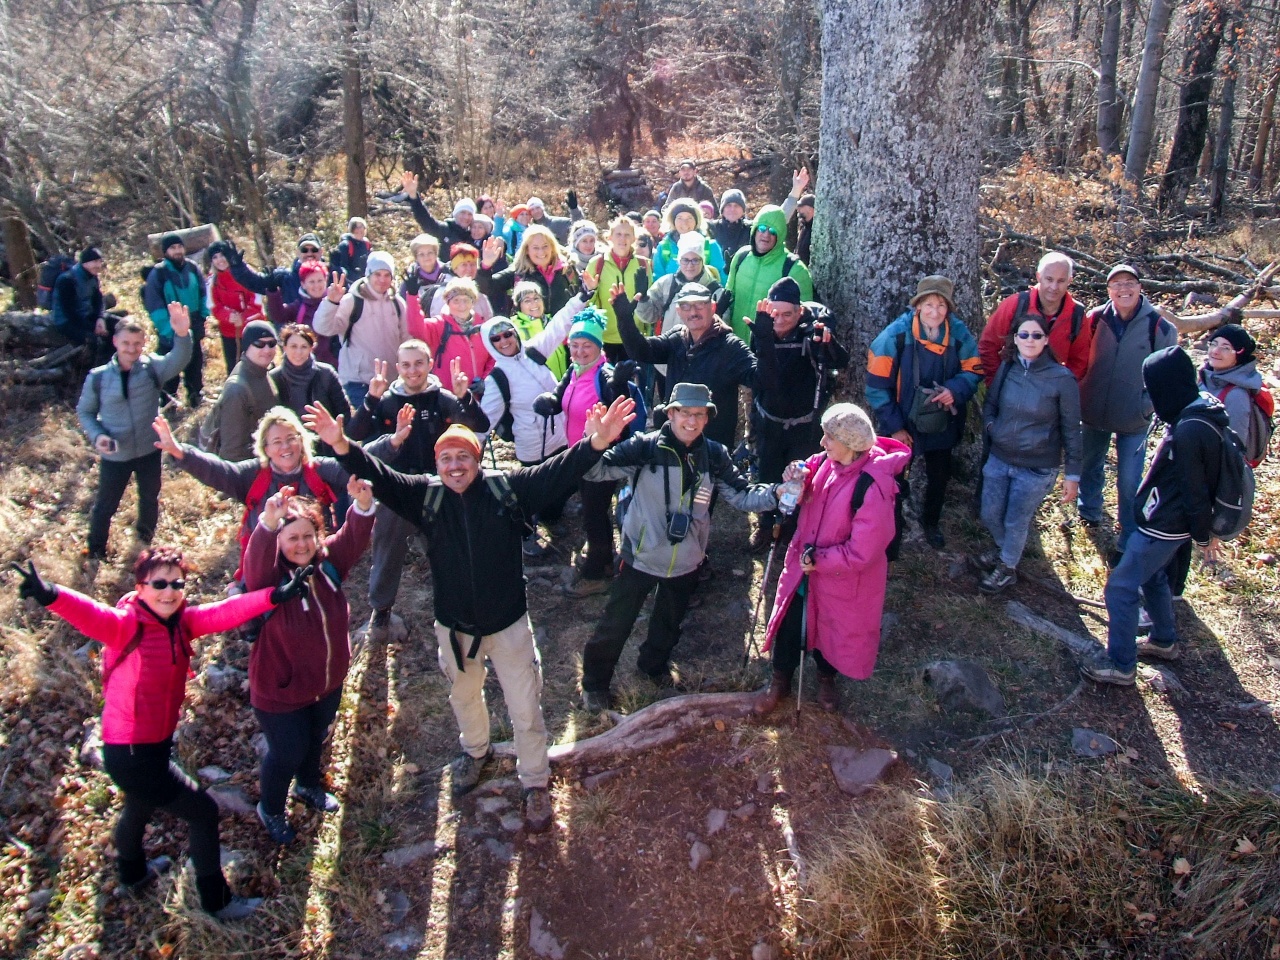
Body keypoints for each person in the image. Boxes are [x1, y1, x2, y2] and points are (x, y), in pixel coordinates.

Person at [305, 395, 636, 832]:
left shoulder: (507, 489)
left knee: (525, 707)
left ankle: (535, 780)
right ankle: (476, 752)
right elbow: (379, 476)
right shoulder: (425, 497)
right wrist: (340, 444)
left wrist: (595, 443)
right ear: (437, 464)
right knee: (464, 698)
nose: (455, 465)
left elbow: (559, 471)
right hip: (454, 629)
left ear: (477, 461)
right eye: (446, 458)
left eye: (463, 456)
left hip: (509, 624)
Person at [8, 549, 309, 919]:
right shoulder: (126, 625)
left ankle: (132, 875)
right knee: (204, 812)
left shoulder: (181, 623)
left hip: (152, 746)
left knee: (139, 804)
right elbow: (90, 613)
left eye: (177, 584)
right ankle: (217, 902)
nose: (169, 592)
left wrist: (273, 596)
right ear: (141, 588)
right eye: (160, 584)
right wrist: (50, 593)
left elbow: (223, 612)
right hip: (131, 753)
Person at [578, 383, 778, 709]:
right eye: (685, 412)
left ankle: (652, 668)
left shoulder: (714, 455)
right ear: (670, 413)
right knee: (616, 624)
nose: (691, 420)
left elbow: (743, 496)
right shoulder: (644, 448)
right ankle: (594, 685)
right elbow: (593, 471)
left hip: (687, 560)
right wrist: (593, 442)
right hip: (639, 556)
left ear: (707, 418)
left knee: (669, 625)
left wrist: (778, 493)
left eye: (699, 414)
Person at [1082, 347, 1228, 686]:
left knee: (1120, 588)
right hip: (1166, 523)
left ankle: (1120, 664)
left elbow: (1195, 490)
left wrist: (1203, 535)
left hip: (1164, 526)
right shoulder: (1199, 409)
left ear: (1167, 385)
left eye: (1151, 387)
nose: (1149, 394)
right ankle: (1163, 639)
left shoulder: (1189, 430)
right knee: (1154, 577)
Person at [753, 405, 911, 715]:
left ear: (851, 445)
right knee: (790, 622)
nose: (822, 442)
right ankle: (780, 680)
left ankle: (826, 678)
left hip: (841, 577)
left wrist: (821, 560)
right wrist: (797, 471)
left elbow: (864, 551)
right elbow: (809, 466)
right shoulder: (829, 460)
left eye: (829, 437)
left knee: (834, 627)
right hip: (804, 567)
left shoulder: (874, 486)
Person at [243, 477, 376, 844]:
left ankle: (307, 785)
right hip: (280, 691)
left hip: (326, 683)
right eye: (291, 538)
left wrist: (363, 504)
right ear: (279, 542)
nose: (301, 545)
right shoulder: (269, 579)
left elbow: (354, 536)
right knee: (287, 751)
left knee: (316, 737)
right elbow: (254, 564)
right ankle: (270, 808)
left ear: (318, 537)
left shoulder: (327, 566)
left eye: (308, 536)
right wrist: (269, 522)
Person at [347, 341, 488, 639]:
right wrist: (371, 399)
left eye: (419, 363)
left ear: (430, 364)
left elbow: (479, 424)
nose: (413, 371)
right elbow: (354, 434)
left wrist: (465, 398)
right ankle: (381, 611)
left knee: (456, 545)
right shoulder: (387, 401)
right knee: (387, 548)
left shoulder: (443, 399)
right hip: (397, 488)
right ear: (398, 368)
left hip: (439, 486)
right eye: (406, 365)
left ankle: (466, 607)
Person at [154, 406, 361, 578]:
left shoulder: (320, 470)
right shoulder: (252, 476)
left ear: (301, 440)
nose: (285, 447)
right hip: (266, 567)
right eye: (277, 442)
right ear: (266, 448)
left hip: (312, 563)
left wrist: (347, 443)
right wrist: (180, 452)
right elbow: (218, 471)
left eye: (291, 438)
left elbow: (359, 470)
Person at [865, 275, 982, 550]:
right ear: (917, 306)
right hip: (902, 421)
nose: (935, 312)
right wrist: (895, 427)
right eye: (929, 304)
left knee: (939, 476)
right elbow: (876, 386)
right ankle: (889, 527)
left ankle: (931, 522)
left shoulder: (959, 333)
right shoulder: (894, 336)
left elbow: (974, 369)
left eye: (941, 306)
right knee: (892, 478)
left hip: (942, 421)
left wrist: (955, 390)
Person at [976, 313, 1083, 594]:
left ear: (1046, 340)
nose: (1030, 340)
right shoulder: (1008, 367)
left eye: (1037, 335)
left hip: (1036, 467)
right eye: (1023, 334)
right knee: (989, 513)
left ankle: (1007, 567)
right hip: (1000, 457)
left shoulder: (1062, 379)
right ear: (1015, 338)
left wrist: (1072, 474)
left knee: (1016, 520)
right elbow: (991, 404)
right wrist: (993, 428)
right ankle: (1005, 550)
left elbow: (1072, 429)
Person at [1077, 265, 1178, 557]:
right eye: (1117, 284)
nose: (1124, 289)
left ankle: (1128, 536)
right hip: (1093, 410)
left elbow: (1168, 376)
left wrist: (1146, 405)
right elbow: (1079, 356)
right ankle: (1089, 510)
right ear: (1109, 290)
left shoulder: (1159, 327)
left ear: (1140, 288)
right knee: (1089, 464)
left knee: (1130, 479)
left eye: (1129, 283)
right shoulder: (1095, 319)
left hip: (1134, 419)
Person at [534, 312, 637, 596]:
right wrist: (550, 401)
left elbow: (620, 406)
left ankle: (596, 575)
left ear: (598, 347)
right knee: (595, 511)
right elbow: (560, 395)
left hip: (601, 458)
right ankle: (605, 560)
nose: (579, 351)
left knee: (594, 516)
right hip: (580, 453)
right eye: (574, 345)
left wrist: (620, 385)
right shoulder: (575, 370)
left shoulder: (603, 375)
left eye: (586, 345)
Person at [77, 308, 192, 560]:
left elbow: (179, 359)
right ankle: (95, 551)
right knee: (106, 505)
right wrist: (98, 436)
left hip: (150, 449)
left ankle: (143, 543)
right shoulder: (98, 378)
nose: (131, 349)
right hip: (116, 453)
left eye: (137, 343)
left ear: (144, 343)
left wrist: (183, 334)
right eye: (126, 343)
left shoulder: (152, 368)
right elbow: (85, 412)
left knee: (149, 498)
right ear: (115, 341)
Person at [750, 278, 850, 541]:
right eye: (775, 313)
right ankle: (766, 525)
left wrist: (827, 344)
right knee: (768, 473)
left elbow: (841, 360)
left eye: (787, 314)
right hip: (769, 419)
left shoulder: (810, 335)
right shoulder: (761, 330)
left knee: (799, 478)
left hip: (804, 425)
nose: (780, 320)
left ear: (800, 312)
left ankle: (792, 530)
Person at [615, 282, 755, 450]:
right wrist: (624, 320)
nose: (693, 312)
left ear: (712, 307)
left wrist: (766, 341)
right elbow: (642, 351)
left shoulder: (730, 347)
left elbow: (761, 379)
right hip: (673, 444)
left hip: (711, 450)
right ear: (678, 311)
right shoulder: (677, 338)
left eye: (699, 305)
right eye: (686, 306)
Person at [313, 251, 410, 408]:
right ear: (368, 274)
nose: (382, 280)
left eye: (387, 275)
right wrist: (331, 302)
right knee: (364, 423)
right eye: (377, 274)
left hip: (391, 382)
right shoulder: (352, 301)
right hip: (358, 383)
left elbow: (406, 339)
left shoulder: (397, 304)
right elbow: (323, 327)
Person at [978, 252, 1090, 386]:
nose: (1054, 287)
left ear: (1069, 281)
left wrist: (1061, 389)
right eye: (1049, 279)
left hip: (1052, 390)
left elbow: (1079, 362)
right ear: (1038, 277)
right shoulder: (1016, 305)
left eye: (1061, 281)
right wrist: (997, 383)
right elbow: (987, 346)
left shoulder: (1077, 315)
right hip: (1012, 386)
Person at [722, 205, 814, 343]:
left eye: (772, 231)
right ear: (754, 229)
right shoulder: (741, 256)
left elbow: (805, 317)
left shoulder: (795, 269)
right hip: (736, 346)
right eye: (762, 228)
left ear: (780, 235)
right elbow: (728, 298)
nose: (766, 235)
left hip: (770, 349)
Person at [143, 234, 208, 407]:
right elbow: (155, 306)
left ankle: (195, 395)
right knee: (170, 367)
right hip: (171, 328)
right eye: (173, 248)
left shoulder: (192, 268)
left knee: (195, 362)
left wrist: (203, 316)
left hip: (194, 323)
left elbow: (203, 293)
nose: (177, 251)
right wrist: (169, 330)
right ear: (165, 252)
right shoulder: (158, 273)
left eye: (180, 247)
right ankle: (168, 402)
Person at [269, 324, 351, 453]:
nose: (298, 352)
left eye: (304, 347)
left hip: (326, 446)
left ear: (311, 348)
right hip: (290, 449)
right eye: (293, 346)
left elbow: (343, 413)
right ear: (284, 347)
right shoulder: (273, 378)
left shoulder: (326, 374)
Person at [585, 216, 651, 363]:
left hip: (634, 335)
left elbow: (650, 301)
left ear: (634, 238)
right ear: (609, 237)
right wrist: (591, 290)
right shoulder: (597, 264)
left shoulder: (644, 264)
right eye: (618, 234)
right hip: (604, 336)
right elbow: (589, 304)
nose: (623, 238)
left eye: (627, 234)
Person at [212, 319, 280, 462]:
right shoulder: (237, 390)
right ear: (247, 346)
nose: (267, 350)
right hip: (251, 469)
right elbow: (232, 452)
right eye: (259, 344)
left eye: (272, 344)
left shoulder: (264, 371)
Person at [226, 234, 327, 327]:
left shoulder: (332, 275)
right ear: (298, 253)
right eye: (304, 250)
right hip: (293, 336)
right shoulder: (284, 277)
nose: (309, 253)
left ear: (321, 252)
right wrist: (237, 266)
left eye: (314, 250)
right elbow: (255, 282)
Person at [479, 225, 581, 316]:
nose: (541, 252)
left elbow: (581, 297)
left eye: (545, 246)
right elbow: (486, 288)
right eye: (535, 248)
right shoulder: (519, 273)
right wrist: (486, 265)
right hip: (531, 330)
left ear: (552, 247)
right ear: (527, 250)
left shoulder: (567, 270)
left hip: (565, 329)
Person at [636, 234, 725, 338]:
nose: (690, 265)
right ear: (679, 261)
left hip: (703, 347)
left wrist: (717, 316)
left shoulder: (716, 291)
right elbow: (649, 317)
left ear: (702, 261)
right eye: (685, 260)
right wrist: (643, 299)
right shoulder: (666, 284)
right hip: (669, 346)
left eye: (695, 260)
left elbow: (722, 334)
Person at [1199, 324, 1264, 455]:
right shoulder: (1205, 377)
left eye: (1226, 348)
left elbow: (1235, 450)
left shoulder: (1236, 395)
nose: (1215, 351)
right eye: (1214, 344)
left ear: (1239, 355)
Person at [206, 240, 265, 375]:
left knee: (257, 366)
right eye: (215, 257)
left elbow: (257, 302)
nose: (220, 260)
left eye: (223, 255)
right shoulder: (212, 280)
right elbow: (214, 306)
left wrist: (243, 317)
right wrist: (228, 316)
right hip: (228, 332)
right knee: (234, 369)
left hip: (253, 329)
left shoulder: (246, 273)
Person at [420, 277, 495, 383]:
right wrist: (412, 296)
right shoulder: (438, 325)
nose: (462, 305)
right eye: (456, 300)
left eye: (466, 300)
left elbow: (493, 357)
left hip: (480, 391)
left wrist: (485, 380)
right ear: (447, 302)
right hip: (448, 391)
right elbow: (416, 329)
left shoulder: (483, 328)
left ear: (473, 303)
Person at [51, 246, 110, 367]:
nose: (98, 265)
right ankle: (91, 372)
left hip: (86, 316)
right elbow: (70, 313)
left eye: (100, 261)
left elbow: (98, 300)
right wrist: (92, 328)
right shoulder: (67, 280)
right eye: (95, 261)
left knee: (118, 326)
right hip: (66, 322)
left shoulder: (93, 277)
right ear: (85, 263)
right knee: (95, 341)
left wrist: (100, 318)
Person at [400, 171, 475, 261]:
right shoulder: (444, 230)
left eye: (469, 214)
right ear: (455, 214)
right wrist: (413, 196)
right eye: (462, 213)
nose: (466, 217)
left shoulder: (474, 236)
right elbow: (425, 220)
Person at [651, 199, 726, 280]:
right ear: (673, 221)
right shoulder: (664, 247)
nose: (684, 223)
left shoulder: (710, 246)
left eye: (689, 218)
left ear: (696, 221)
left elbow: (721, 277)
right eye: (679, 218)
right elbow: (658, 278)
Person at [425, 246, 497, 328]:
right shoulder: (443, 293)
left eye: (473, 264)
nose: (469, 269)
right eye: (464, 265)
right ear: (455, 268)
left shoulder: (479, 293)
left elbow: (489, 323)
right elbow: (439, 326)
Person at [401, 233, 453, 328]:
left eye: (430, 252)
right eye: (421, 254)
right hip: (423, 327)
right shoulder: (410, 279)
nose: (426, 257)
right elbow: (404, 308)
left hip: (449, 325)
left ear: (436, 253)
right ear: (416, 257)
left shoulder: (449, 272)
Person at [330, 217, 372, 282]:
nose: (359, 230)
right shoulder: (345, 245)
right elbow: (343, 267)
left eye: (361, 227)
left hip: (365, 279)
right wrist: (357, 280)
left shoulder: (367, 244)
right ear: (351, 229)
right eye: (356, 227)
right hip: (349, 281)